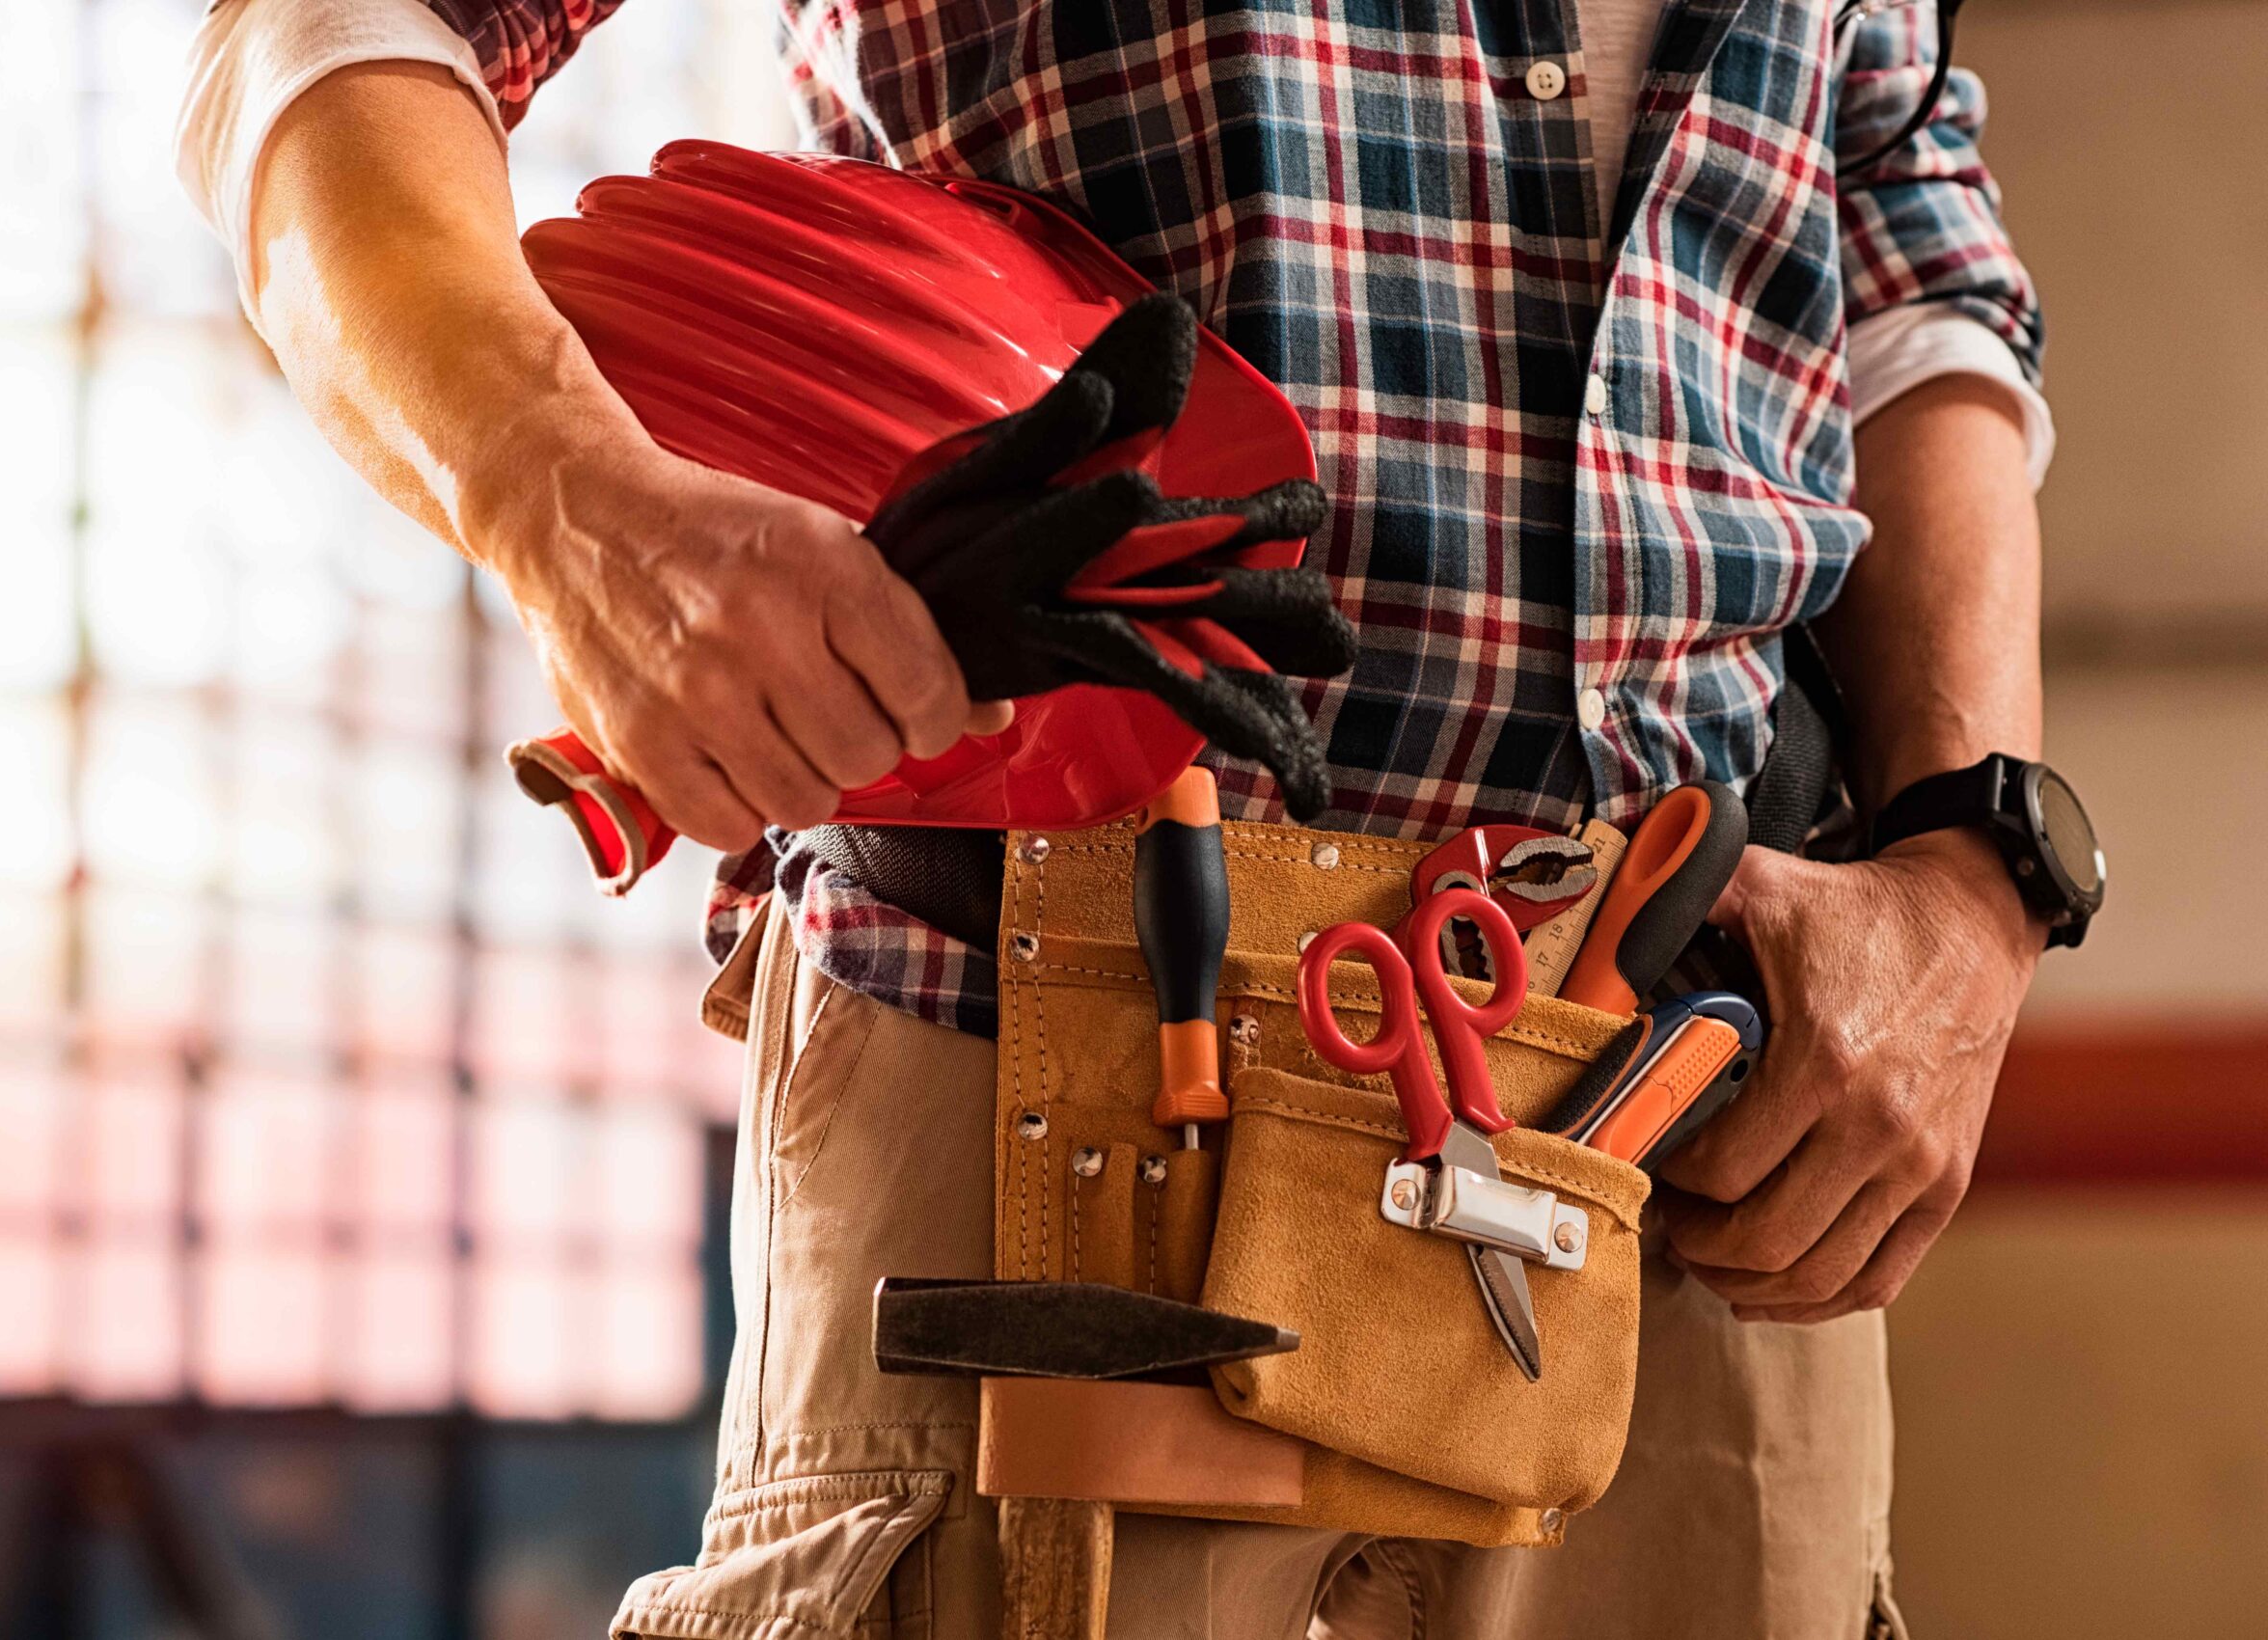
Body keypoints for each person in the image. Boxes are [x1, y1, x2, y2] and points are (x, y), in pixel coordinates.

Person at [179, 0, 2060, 1633]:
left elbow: (1900, 249)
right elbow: (322, 34)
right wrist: (562, 500)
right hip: (1019, 1075)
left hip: (1699, 1126)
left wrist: (1977, 864)